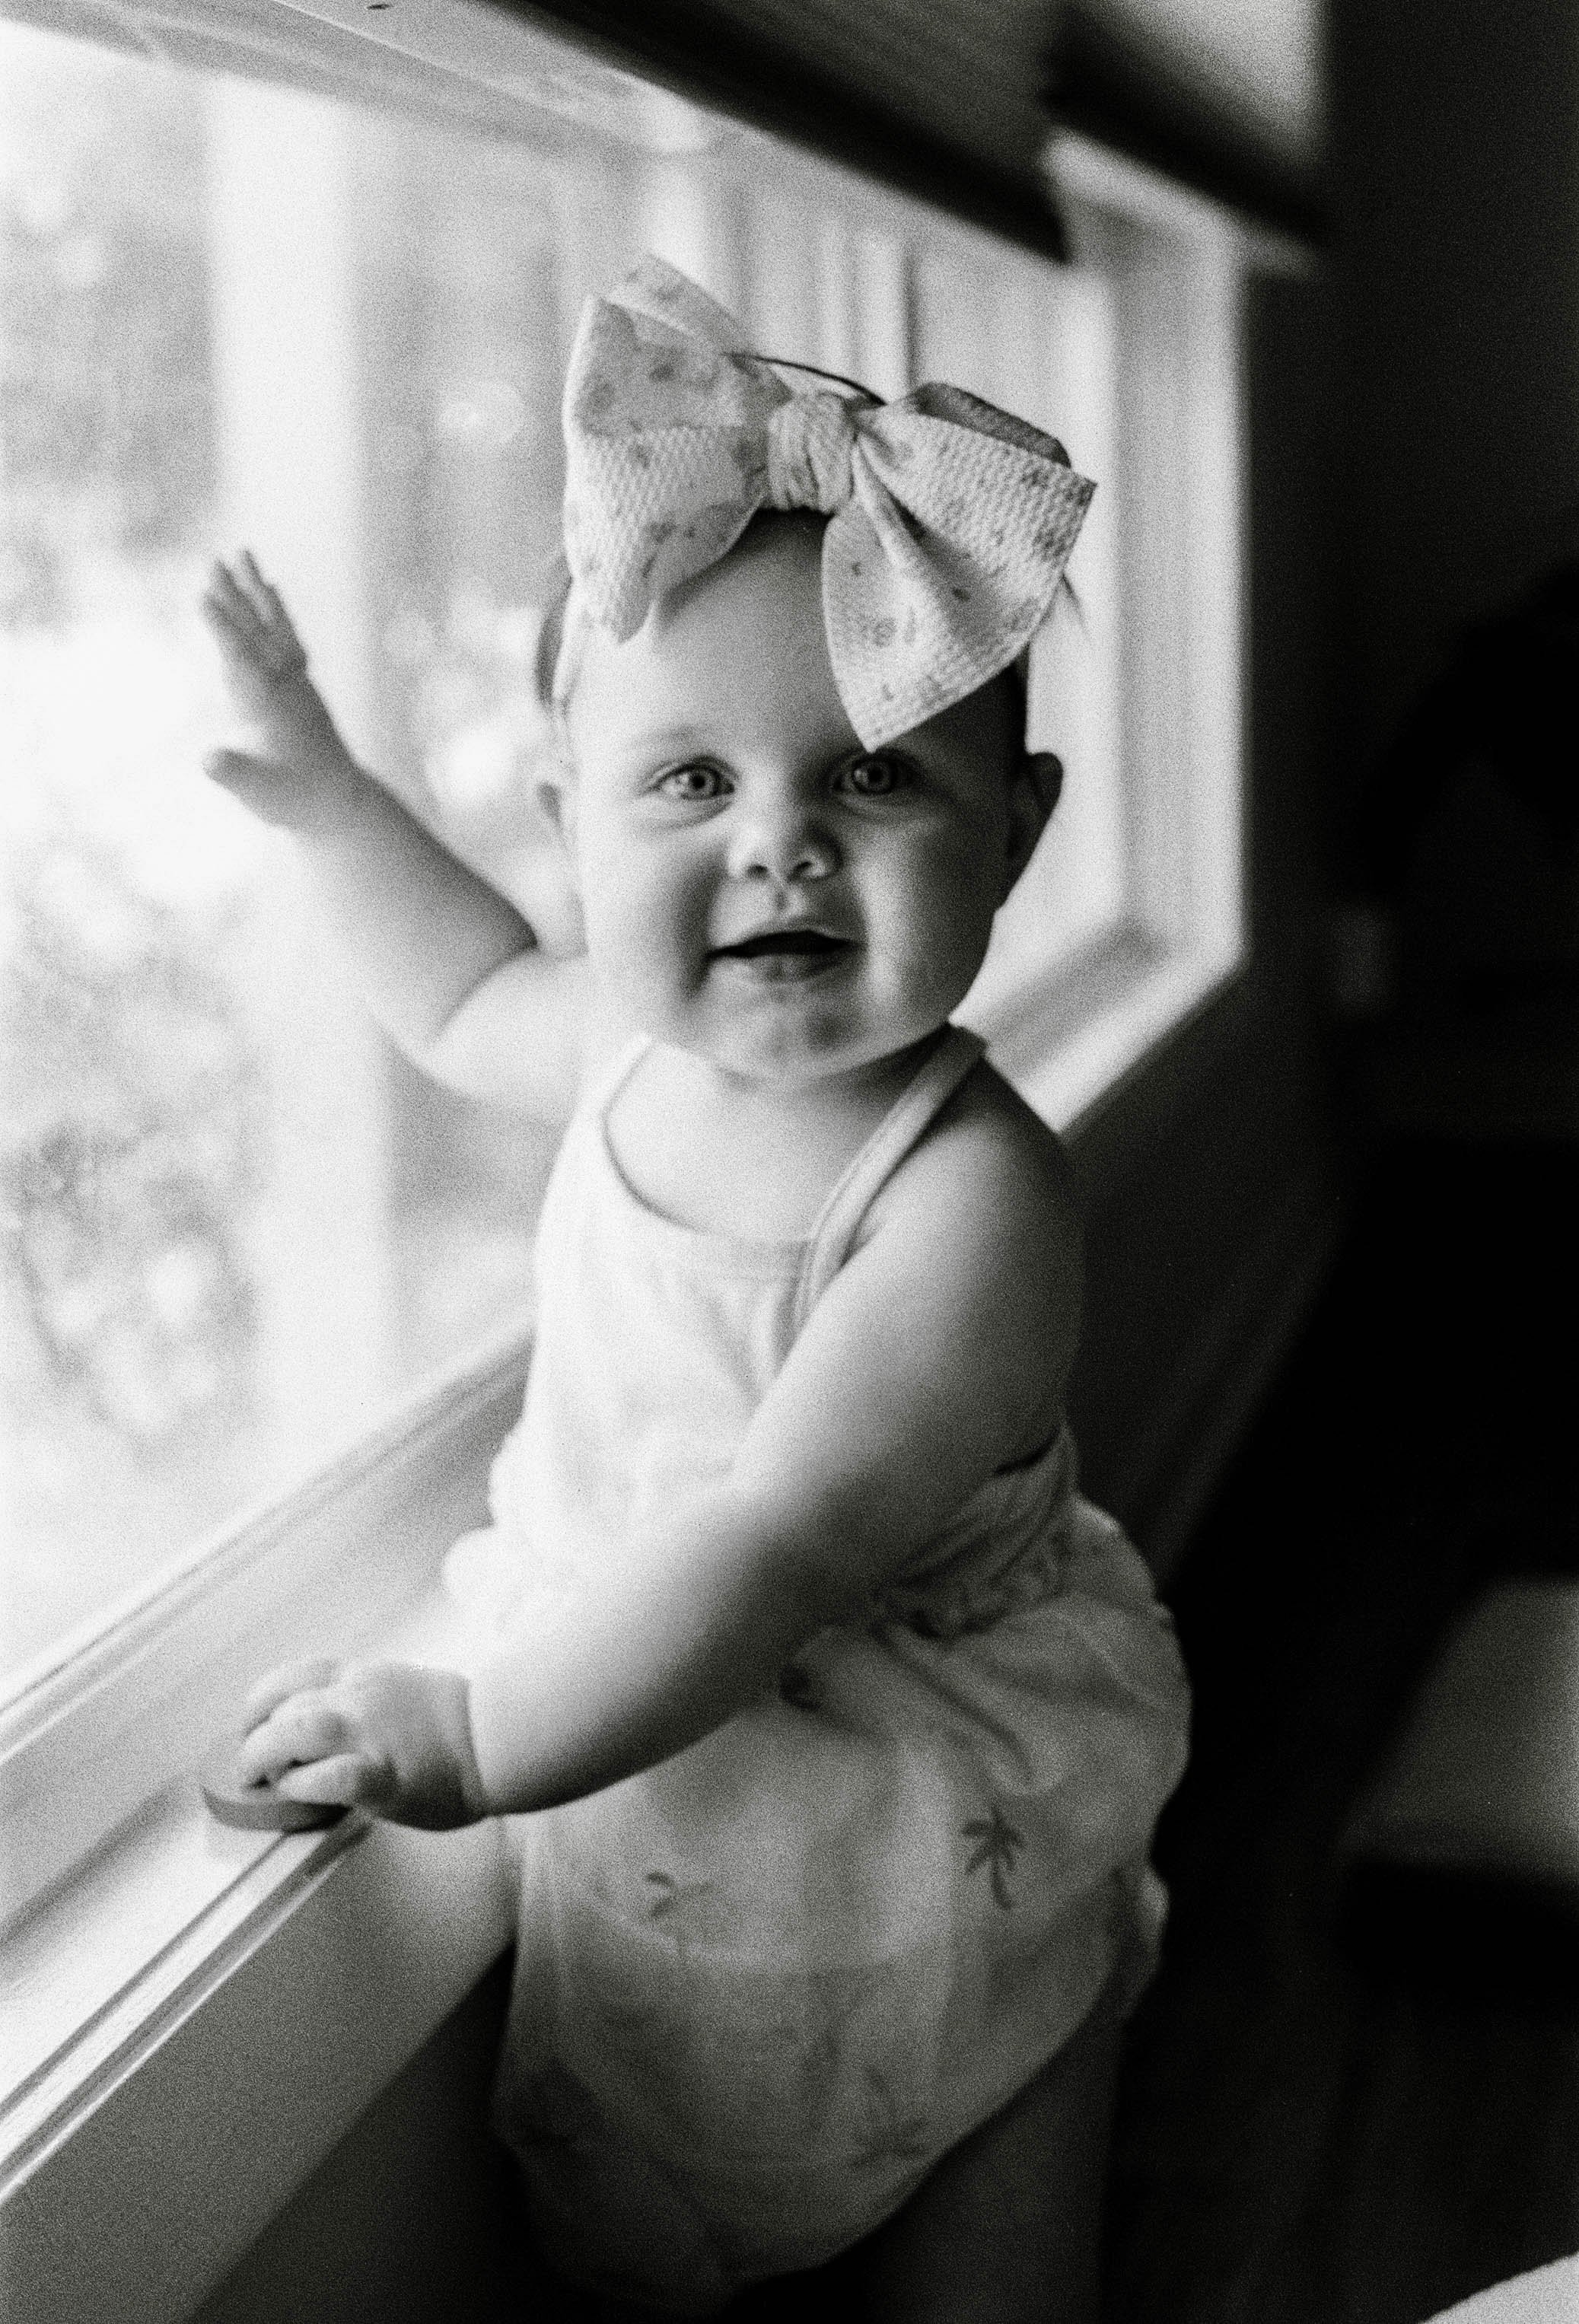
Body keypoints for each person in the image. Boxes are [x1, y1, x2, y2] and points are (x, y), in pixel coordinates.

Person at [202, 257, 1191, 2323]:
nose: (780, 851)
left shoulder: (971, 1200)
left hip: (935, 1805)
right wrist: (321, 796)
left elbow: (774, 1537)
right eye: (687, 786)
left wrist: (475, 1742)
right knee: (643, 2232)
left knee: (1001, 2222)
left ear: (1011, 839)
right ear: (570, 822)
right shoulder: (623, 1050)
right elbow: (467, 988)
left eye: (875, 778)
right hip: (667, 1780)